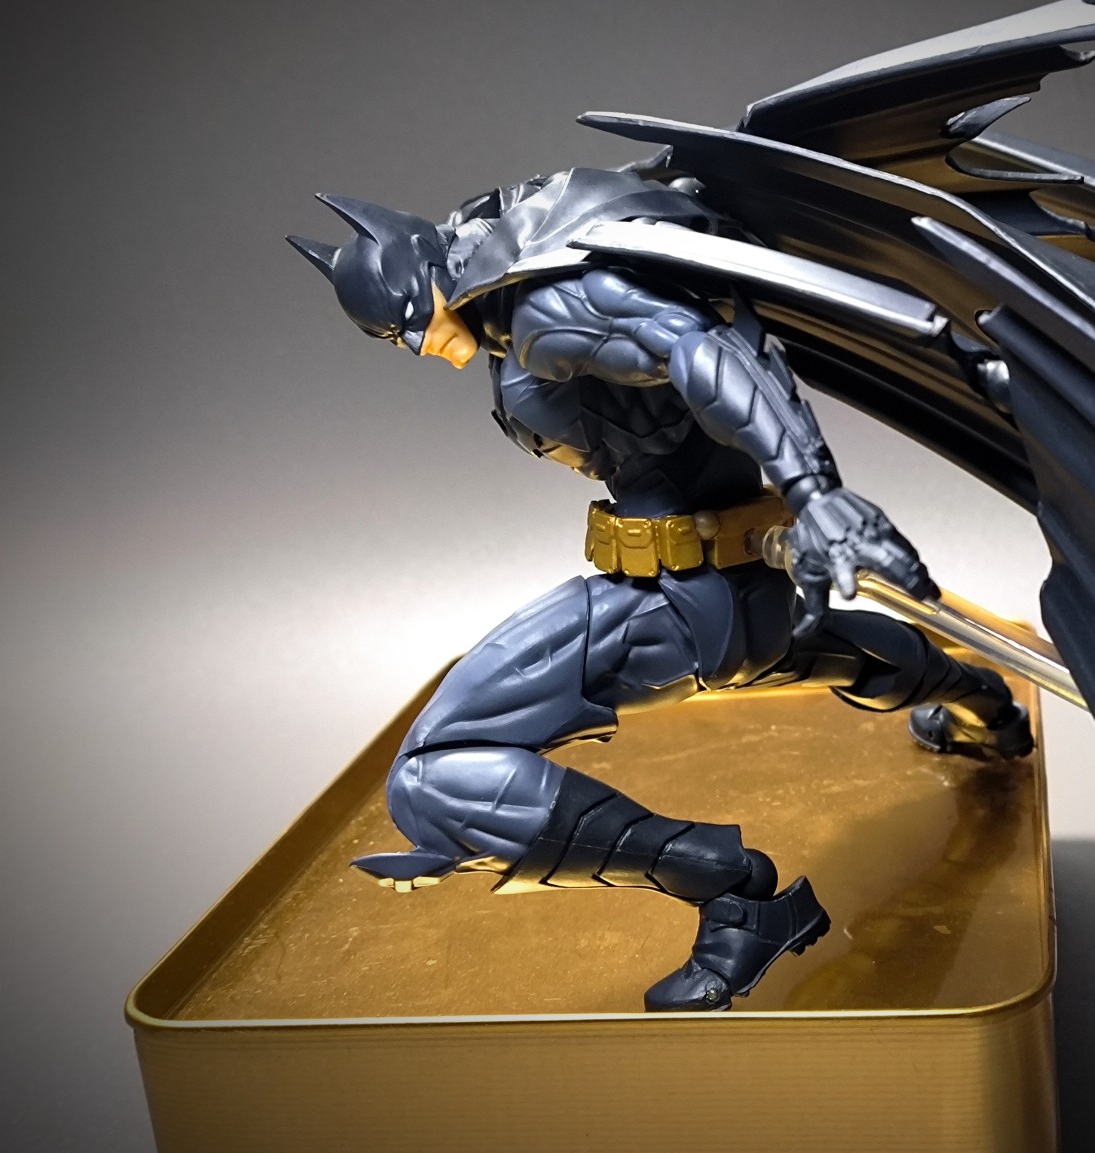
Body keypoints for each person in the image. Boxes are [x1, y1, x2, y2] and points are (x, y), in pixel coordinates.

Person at [289, 171, 1032, 1011]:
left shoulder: (542, 308)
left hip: (680, 596)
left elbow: (698, 346)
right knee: (815, 652)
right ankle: (987, 706)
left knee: (434, 777)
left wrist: (816, 490)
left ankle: (735, 893)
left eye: (410, 324)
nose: (419, 346)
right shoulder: (512, 309)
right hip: (727, 588)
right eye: (397, 340)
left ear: (426, 273)